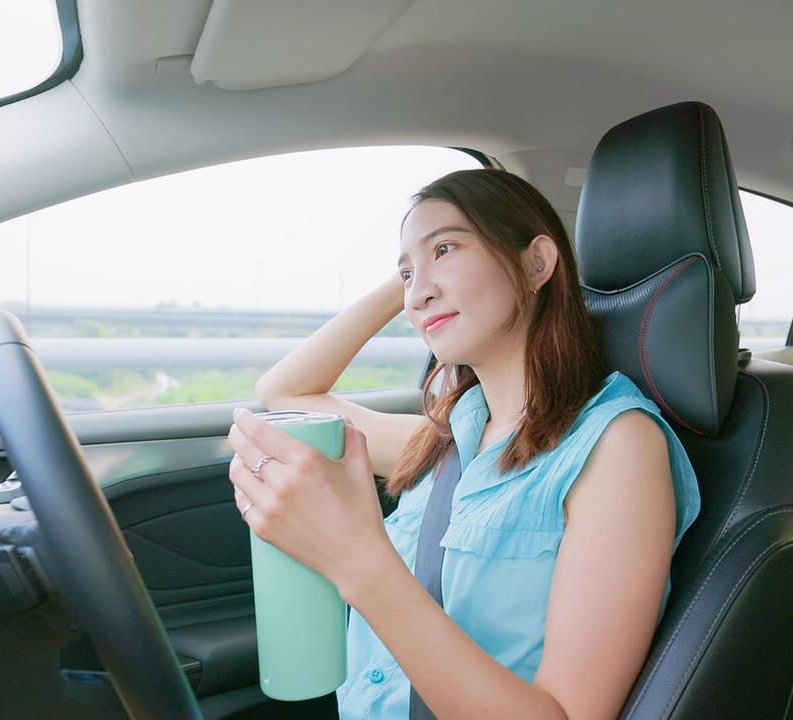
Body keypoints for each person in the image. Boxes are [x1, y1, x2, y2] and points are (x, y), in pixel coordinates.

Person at [227, 168, 701, 719]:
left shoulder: (615, 447)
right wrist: (415, 272)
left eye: (447, 248)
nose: (417, 295)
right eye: (406, 276)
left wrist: (358, 560)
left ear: (536, 263)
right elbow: (284, 392)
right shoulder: (445, 440)